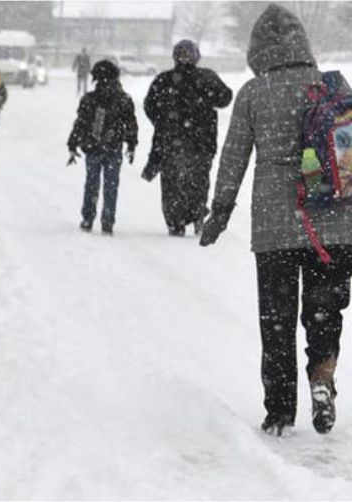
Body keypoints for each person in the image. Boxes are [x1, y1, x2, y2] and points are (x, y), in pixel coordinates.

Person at [199, 4, 352, 436]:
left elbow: (232, 160)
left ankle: (280, 411)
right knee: (324, 311)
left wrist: (220, 212)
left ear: (258, 49)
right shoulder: (329, 88)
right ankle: (322, 378)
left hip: (275, 227)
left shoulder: (253, 93)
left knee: (277, 320)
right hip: (334, 223)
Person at [142, 39, 232, 236]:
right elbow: (225, 97)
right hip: (202, 142)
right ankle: (196, 213)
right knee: (198, 181)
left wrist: (163, 121)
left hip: (172, 142)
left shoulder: (164, 80)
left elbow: (150, 106)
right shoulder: (206, 77)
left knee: (172, 183)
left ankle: (176, 221)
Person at [67, 60, 138, 235]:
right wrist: (131, 144)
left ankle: (88, 218)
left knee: (92, 184)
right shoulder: (124, 99)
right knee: (111, 186)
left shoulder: (90, 99)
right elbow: (131, 124)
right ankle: (107, 220)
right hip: (113, 148)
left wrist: (73, 143)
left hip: (93, 147)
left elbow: (80, 124)